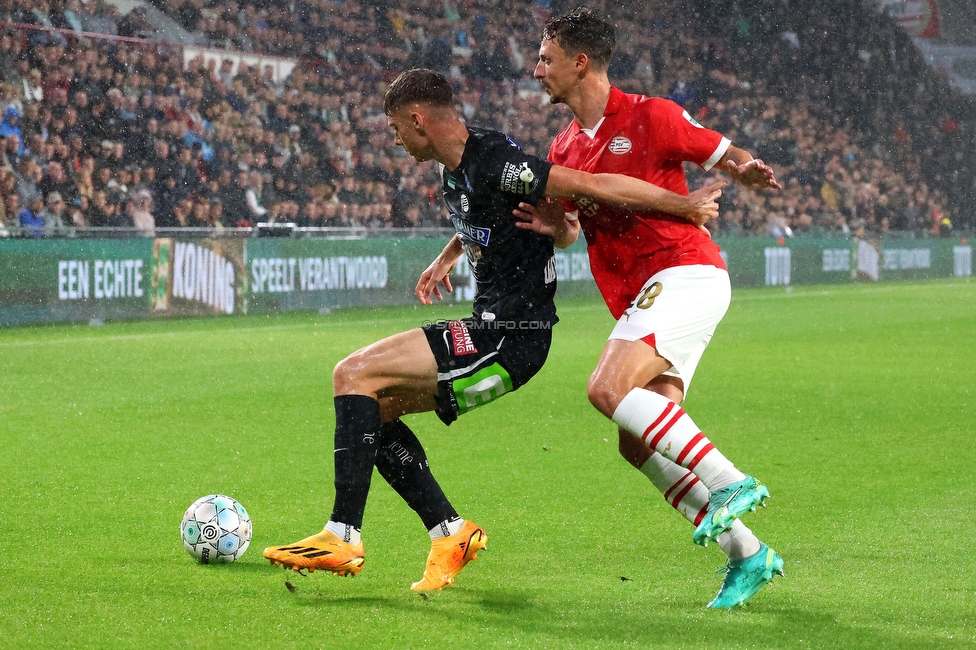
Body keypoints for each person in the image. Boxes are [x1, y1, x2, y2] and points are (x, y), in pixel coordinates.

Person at [262, 68, 727, 591]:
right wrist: (449, 253)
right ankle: (451, 533)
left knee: (352, 374)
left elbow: (589, 189)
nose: (394, 139)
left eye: (395, 128)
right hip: (495, 328)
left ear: (418, 119)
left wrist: (682, 205)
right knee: (374, 410)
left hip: (510, 336)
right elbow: (490, 213)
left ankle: (342, 535)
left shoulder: (500, 163)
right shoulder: (460, 163)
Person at [521, 8, 784, 609]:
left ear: (579, 63)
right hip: (643, 295)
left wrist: (744, 171)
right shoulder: (563, 146)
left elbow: (722, 152)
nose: (537, 71)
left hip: (684, 273)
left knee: (605, 390)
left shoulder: (651, 116)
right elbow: (568, 233)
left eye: (545, 59)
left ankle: (728, 482)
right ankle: (748, 554)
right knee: (636, 441)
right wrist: (552, 225)